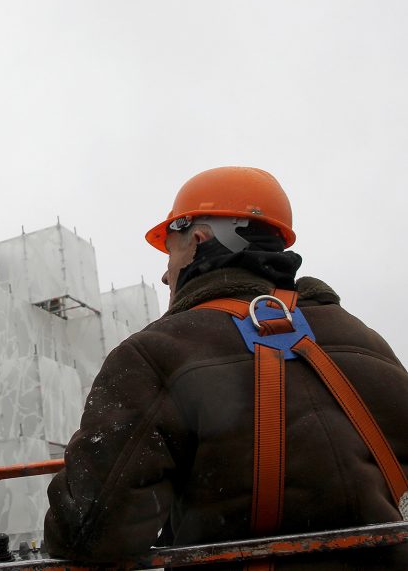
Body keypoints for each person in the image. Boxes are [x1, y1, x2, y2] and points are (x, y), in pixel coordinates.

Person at [44, 167, 408, 569]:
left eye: (171, 250)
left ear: (199, 239)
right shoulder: (368, 341)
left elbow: (89, 533)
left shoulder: (156, 353)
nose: (166, 274)